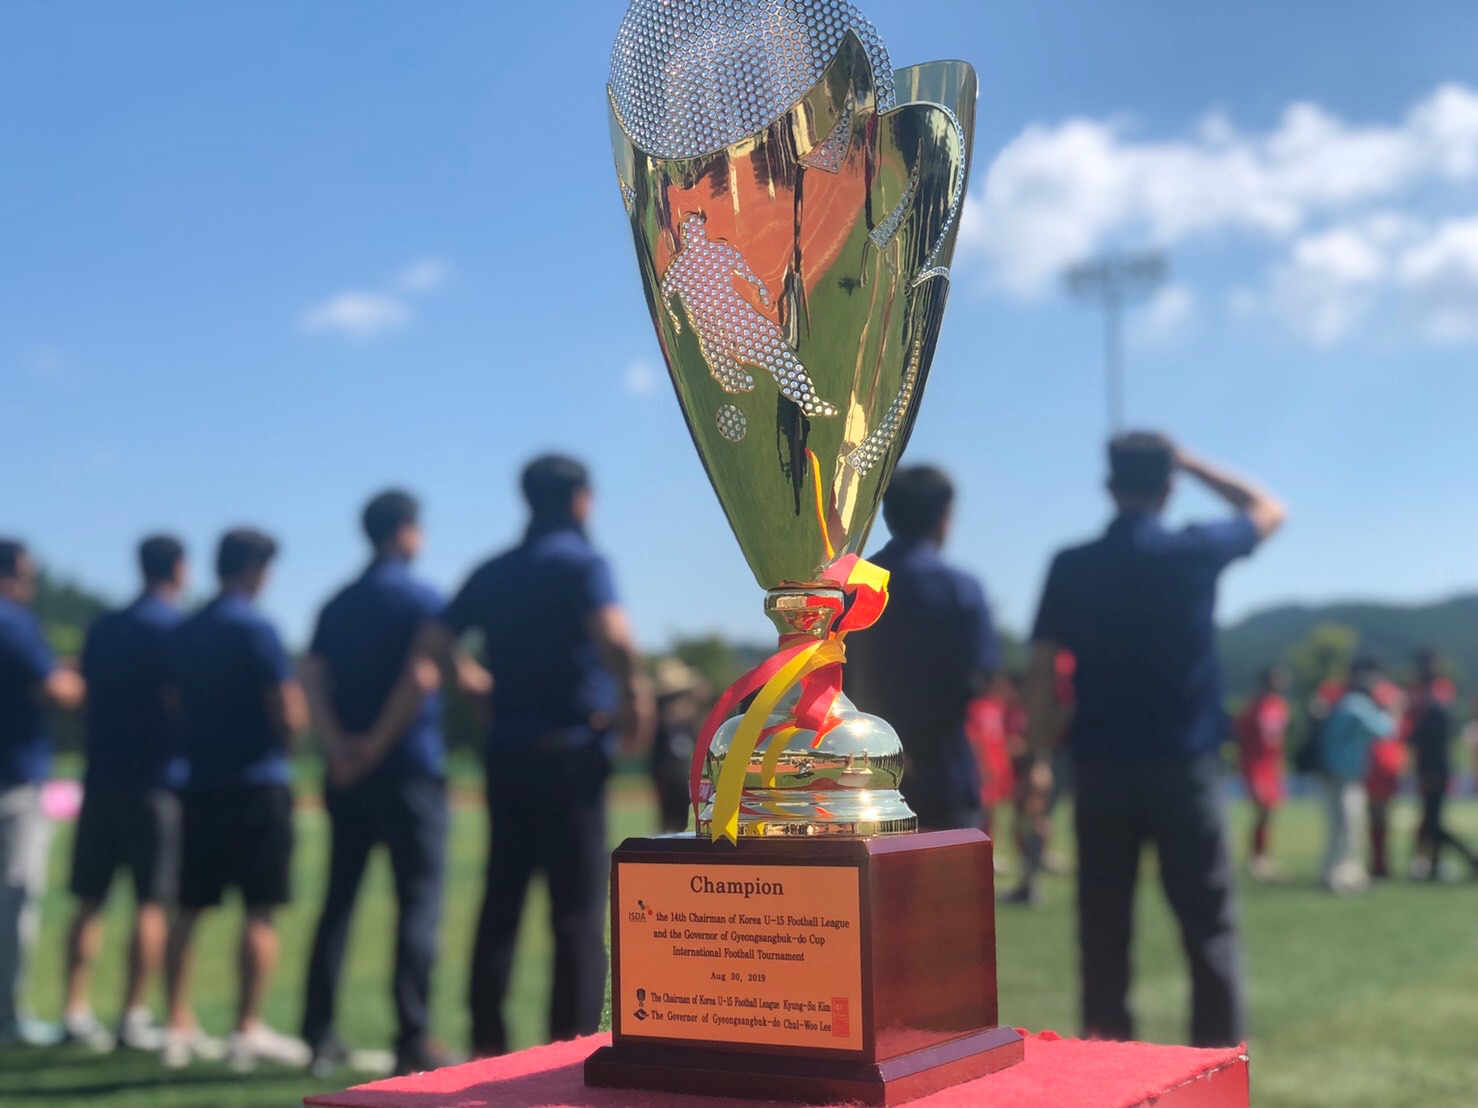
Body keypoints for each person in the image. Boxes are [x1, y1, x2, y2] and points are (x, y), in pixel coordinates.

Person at [370, 455, 654, 1056]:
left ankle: (486, 1042)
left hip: (507, 755)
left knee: (501, 901)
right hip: (571, 754)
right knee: (575, 913)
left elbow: (433, 641)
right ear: (579, 499)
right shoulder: (584, 563)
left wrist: (474, 683)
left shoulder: (493, 570)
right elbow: (614, 637)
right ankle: (570, 1048)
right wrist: (635, 696)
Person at [1026, 433, 1286, 1047]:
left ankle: (1107, 1065)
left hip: (1100, 768)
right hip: (1184, 766)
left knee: (1103, 932)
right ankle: (1218, 1067)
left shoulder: (1072, 564)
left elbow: (1040, 673)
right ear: (1169, 487)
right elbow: (1269, 509)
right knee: (1209, 929)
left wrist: (1038, 756)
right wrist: (1190, 459)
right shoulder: (1192, 550)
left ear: (1108, 487)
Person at [300, 492, 481, 1076]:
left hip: (347, 774)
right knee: (418, 905)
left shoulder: (337, 602)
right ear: (404, 530)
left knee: (338, 902)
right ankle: (412, 1036)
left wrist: (340, 747)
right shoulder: (421, 598)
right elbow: (424, 675)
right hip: (407, 771)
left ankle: (318, 1033)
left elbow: (311, 676)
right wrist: (376, 746)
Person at [163, 529, 310, 1070]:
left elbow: (171, 700)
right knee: (259, 910)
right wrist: (290, 742)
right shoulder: (256, 627)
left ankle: (177, 1023)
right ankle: (247, 1027)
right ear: (253, 569)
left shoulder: (186, 630)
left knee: (187, 910)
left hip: (200, 783)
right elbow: (288, 708)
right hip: (256, 783)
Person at [62, 536, 188, 1052]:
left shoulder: (104, 627)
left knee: (88, 901)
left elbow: (83, 695)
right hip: (154, 782)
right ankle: (132, 1015)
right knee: (151, 902)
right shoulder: (173, 628)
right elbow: (178, 699)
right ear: (178, 569)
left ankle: (74, 1010)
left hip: (101, 779)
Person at [848, 465, 1002, 831]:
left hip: (863, 775)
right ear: (944, 518)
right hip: (942, 774)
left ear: (887, 514)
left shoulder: (855, 587)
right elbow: (982, 678)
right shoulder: (960, 589)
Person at [0, 539, 86, 1046]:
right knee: (15, 899)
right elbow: (59, 691)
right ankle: (7, 1016)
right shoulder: (13, 620)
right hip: (13, 781)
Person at [1319, 659, 1400, 894]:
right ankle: (1341, 875)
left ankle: (1337, 872)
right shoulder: (1358, 704)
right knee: (1349, 826)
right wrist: (1394, 709)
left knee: (1341, 826)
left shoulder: (1345, 702)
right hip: (1344, 775)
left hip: (1336, 774)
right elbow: (1386, 730)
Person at [1407, 651, 1475, 880]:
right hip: (1430, 768)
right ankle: (1433, 866)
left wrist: (1432, 770)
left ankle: (1470, 857)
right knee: (1430, 820)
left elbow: (1430, 739)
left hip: (1434, 769)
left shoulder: (1438, 702)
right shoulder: (1426, 699)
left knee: (1433, 822)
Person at [1234, 666, 1290, 881]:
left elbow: (1279, 740)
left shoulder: (1280, 705)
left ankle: (1264, 857)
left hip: (1271, 766)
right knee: (1261, 810)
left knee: (1269, 812)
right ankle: (1256, 859)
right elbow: (1241, 736)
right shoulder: (1252, 706)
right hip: (1255, 765)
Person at [650, 658, 706, 835]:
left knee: (685, 817)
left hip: (684, 770)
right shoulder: (657, 707)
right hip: (665, 769)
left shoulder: (691, 709)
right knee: (668, 818)